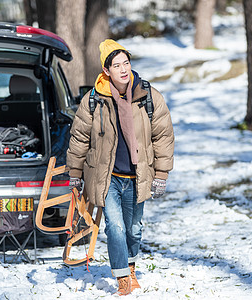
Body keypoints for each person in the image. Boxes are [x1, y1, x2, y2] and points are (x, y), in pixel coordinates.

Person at [66, 39, 174, 296]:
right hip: (108, 177)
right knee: (115, 227)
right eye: (117, 65)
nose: (124, 69)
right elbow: (80, 137)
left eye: (126, 63)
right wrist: (74, 173)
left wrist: (161, 174)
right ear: (106, 71)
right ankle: (123, 277)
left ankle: (131, 265)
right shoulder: (93, 100)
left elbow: (163, 135)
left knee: (134, 228)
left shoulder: (148, 95)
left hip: (138, 176)